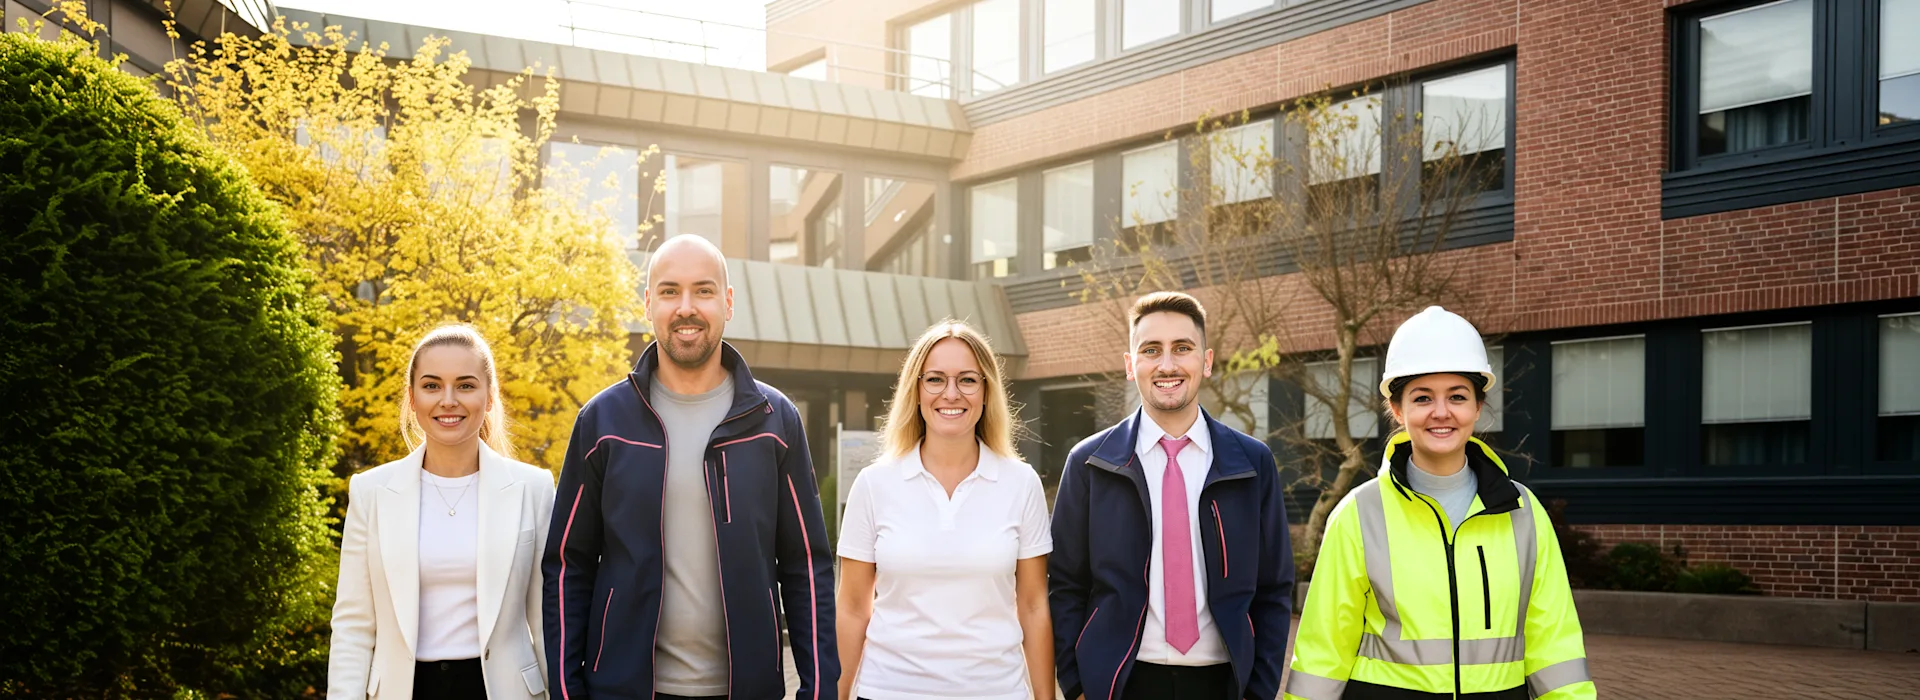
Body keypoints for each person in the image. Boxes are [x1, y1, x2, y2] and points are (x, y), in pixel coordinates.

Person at [543, 234, 838, 700]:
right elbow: (567, 565)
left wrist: (818, 691)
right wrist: (566, 691)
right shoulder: (602, 422)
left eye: (703, 290)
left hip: (747, 690)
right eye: (669, 291)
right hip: (624, 690)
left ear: (728, 302)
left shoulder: (774, 420)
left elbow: (805, 564)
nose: (686, 308)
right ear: (648, 304)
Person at [1284, 306, 1595, 700]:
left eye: (1457, 396)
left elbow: (1555, 645)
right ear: (1398, 409)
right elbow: (1323, 650)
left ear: (1478, 406)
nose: (1441, 412)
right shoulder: (1359, 514)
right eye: (1423, 398)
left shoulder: (1524, 512)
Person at [1050, 291, 1294, 700]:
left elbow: (1273, 588)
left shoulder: (1252, 462)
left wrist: (1260, 691)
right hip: (1120, 684)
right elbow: (1064, 586)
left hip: (1223, 684)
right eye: (1151, 350)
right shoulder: (1089, 462)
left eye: (1182, 348)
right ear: (1131, 365)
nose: (1167, 365)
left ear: (1206, 361)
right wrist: (1076, 686)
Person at [328, 325, 558, 700]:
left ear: (489, 397)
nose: (448, 400)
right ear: (412, 398)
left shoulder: (533, 488)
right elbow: (353, 626)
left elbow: (549, 621)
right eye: (432, 386)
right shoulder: (370, 492)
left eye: (465, 386)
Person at [836, 321, 1054, 700]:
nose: (951, 394)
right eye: (935, 379)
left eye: (967, 380)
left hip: (996, 692)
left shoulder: (1021, 483)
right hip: (889, 690)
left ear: (986, 391)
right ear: (916, 390)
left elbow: (1034, 607)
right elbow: (853, 608)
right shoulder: (874, 484)